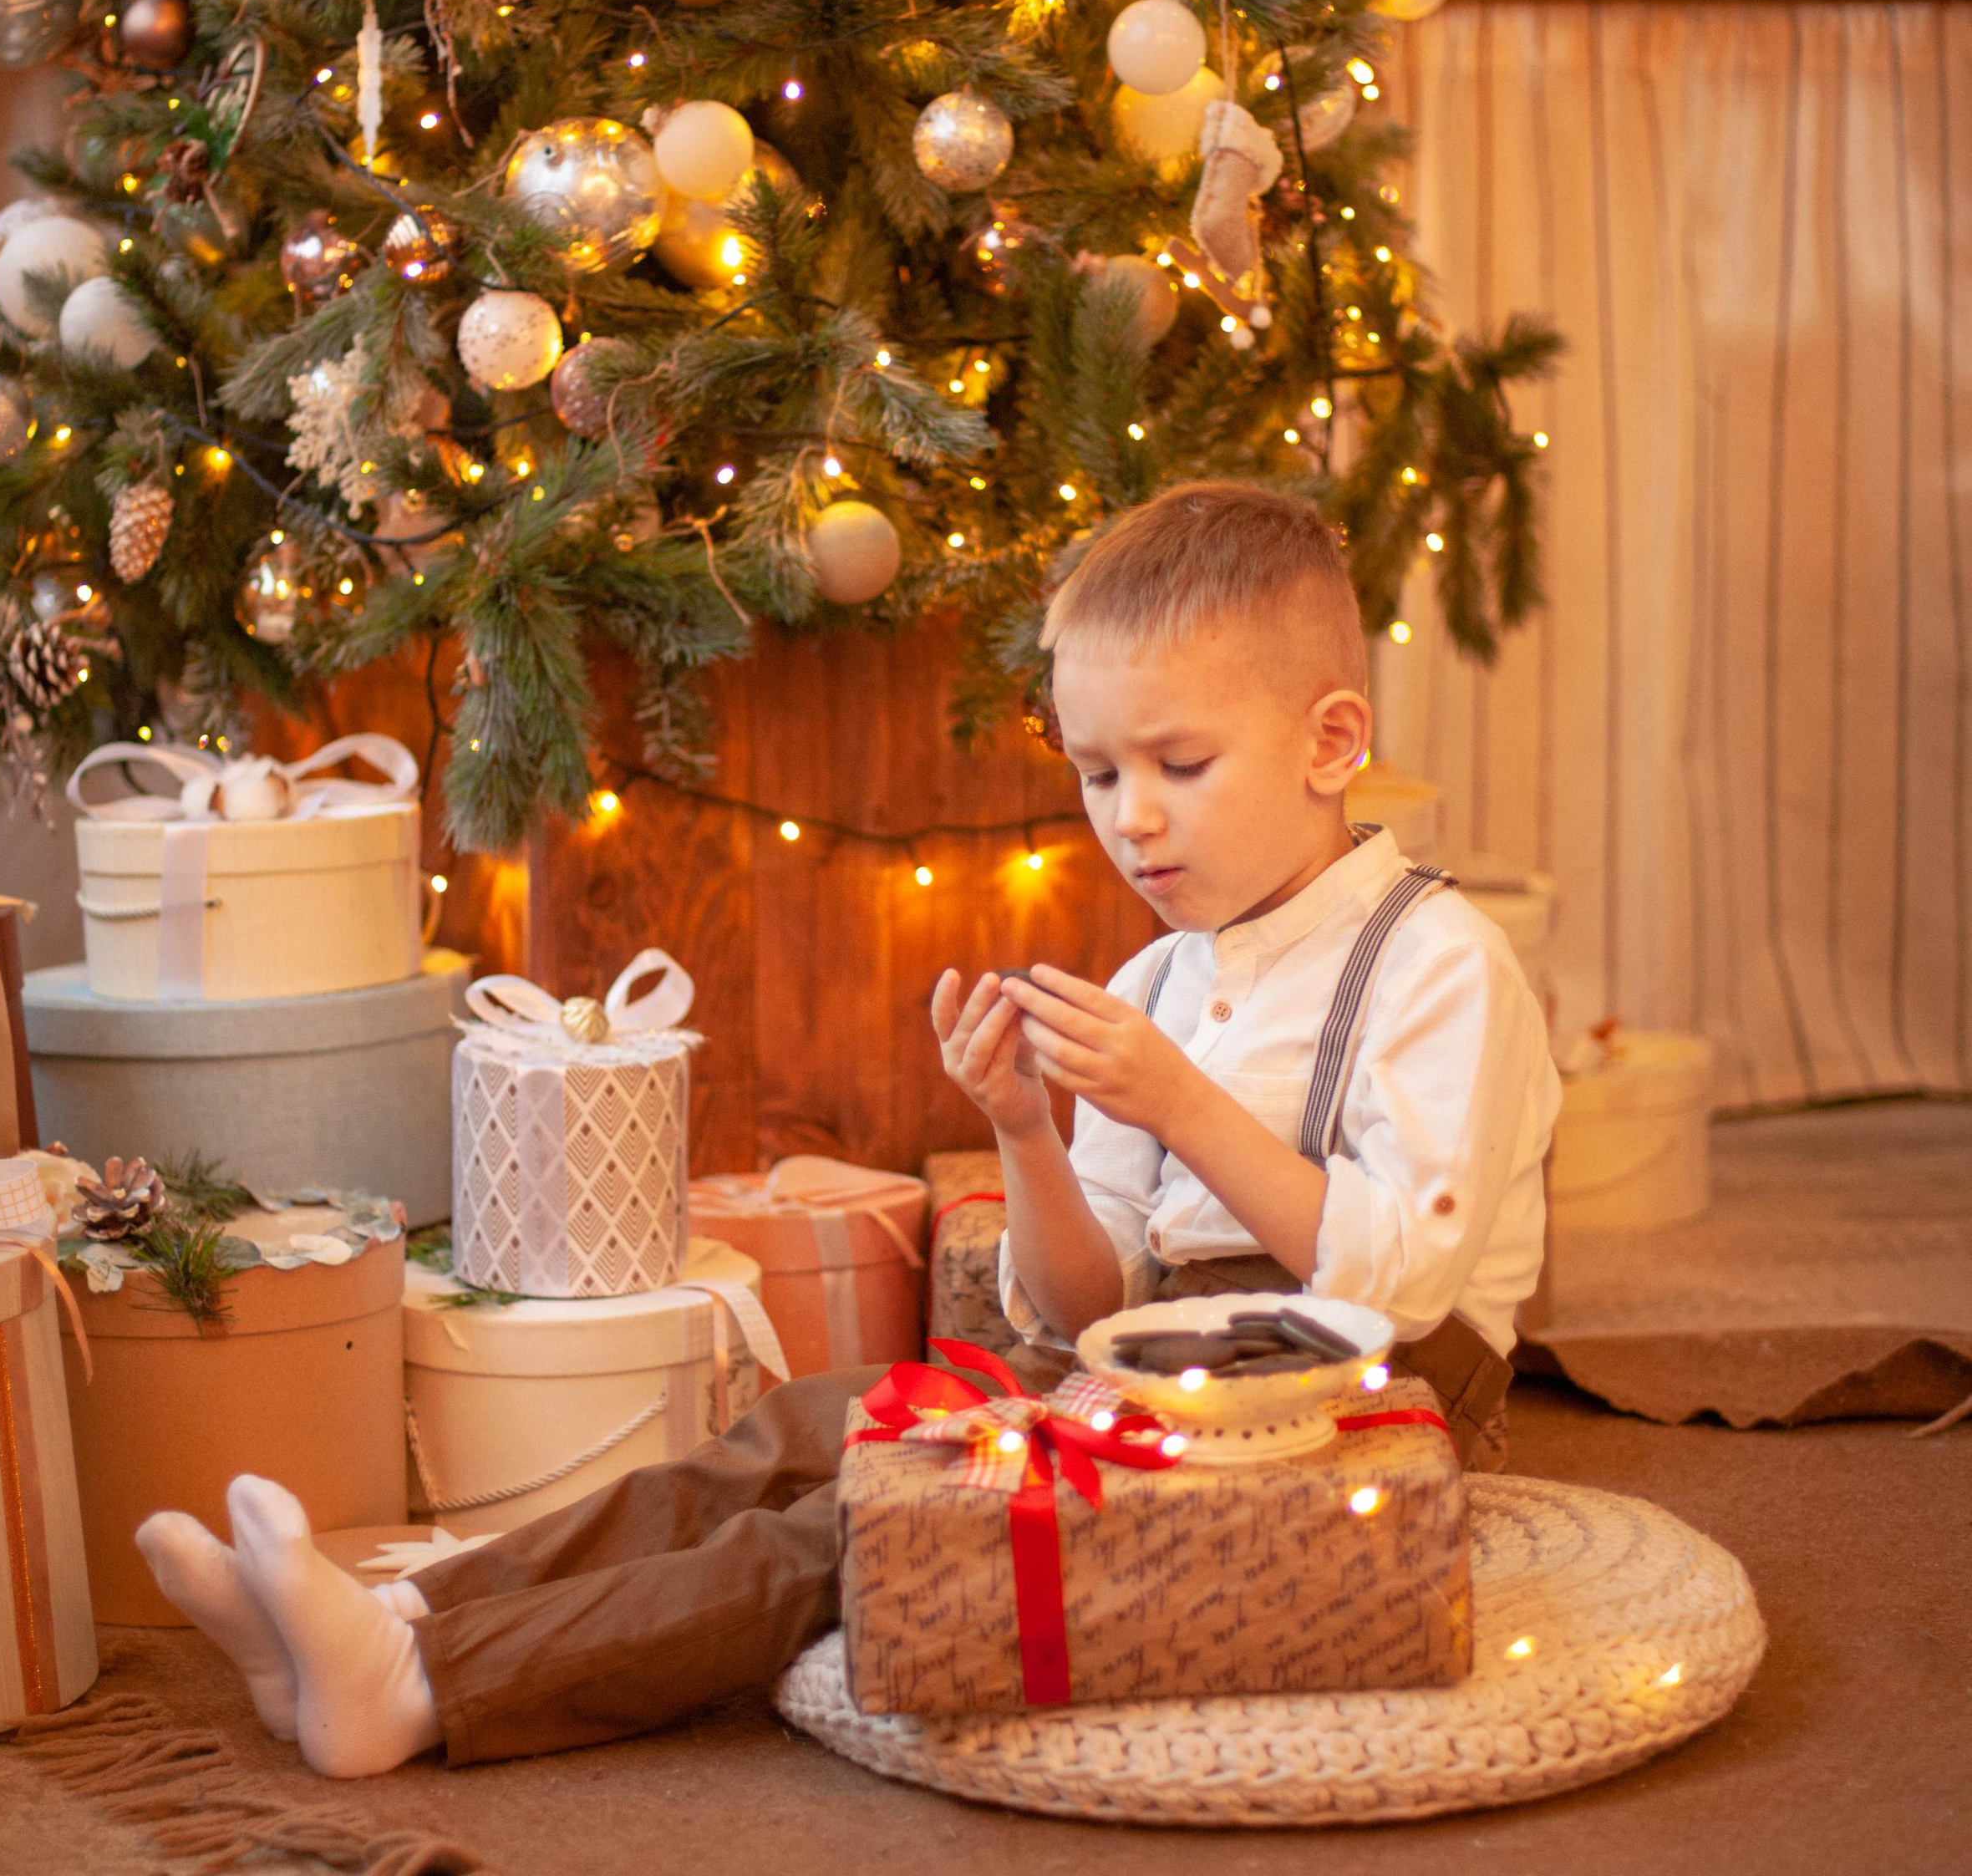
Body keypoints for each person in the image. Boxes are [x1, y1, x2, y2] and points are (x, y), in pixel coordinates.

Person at [137, 480, 1559, 1778]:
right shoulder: (1157, 980)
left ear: (1332, 743)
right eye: (1098, 773)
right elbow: (1091, 1301)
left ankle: (425, 1684)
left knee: (877, 1518)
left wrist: (1175, 1100)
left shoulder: (1434, 965)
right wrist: (1027, 1133)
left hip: (1369, 1404)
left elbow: (1398, 1289)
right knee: (811, 1429)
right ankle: (390, 1606)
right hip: (1165, 1364)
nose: (1131, 820)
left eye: (1179, 765)